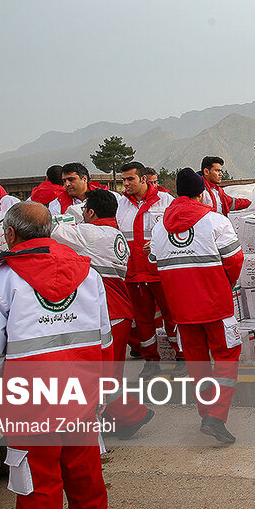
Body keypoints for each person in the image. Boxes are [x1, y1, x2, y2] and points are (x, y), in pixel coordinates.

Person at [0, 202, 113, 509]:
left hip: (30, 410)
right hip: (80, 403)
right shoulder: (89, 274)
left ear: (10, 234)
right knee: (89, 490)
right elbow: (104, 343)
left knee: (38, 495)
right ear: (51, 231)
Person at [51, 188, 154, 439]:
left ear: (91, 212)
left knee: (98, 375)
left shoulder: (89, 232)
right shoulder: (117, 236)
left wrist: (67, 214)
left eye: (85, 211)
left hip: (106, 313)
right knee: (111, 373)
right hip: (121, 311)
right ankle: (115, 418)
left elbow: (52, 230)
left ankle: (134, 414)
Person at [150, 168, 244, 444]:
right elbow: (235, 261)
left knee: (197, 362)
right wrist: (225, 283)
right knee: (227, 357)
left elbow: (155, 263)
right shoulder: (216, 221)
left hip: (181, 308)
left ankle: (206, 414)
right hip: (215, 304)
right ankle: (216, 416)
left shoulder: (158, 227)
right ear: (202, 192)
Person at [115, 161, 175, 377]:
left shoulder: (166, 201)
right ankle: (151, 361)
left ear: (143, 179)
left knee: (172, 316)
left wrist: (160, 241)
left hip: (160, 272)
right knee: (142, 321)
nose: (125, 184)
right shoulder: (122, 204)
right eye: (123, 180)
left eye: (130, 179)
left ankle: (181, 356)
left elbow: (177, 231)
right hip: (134, 274)